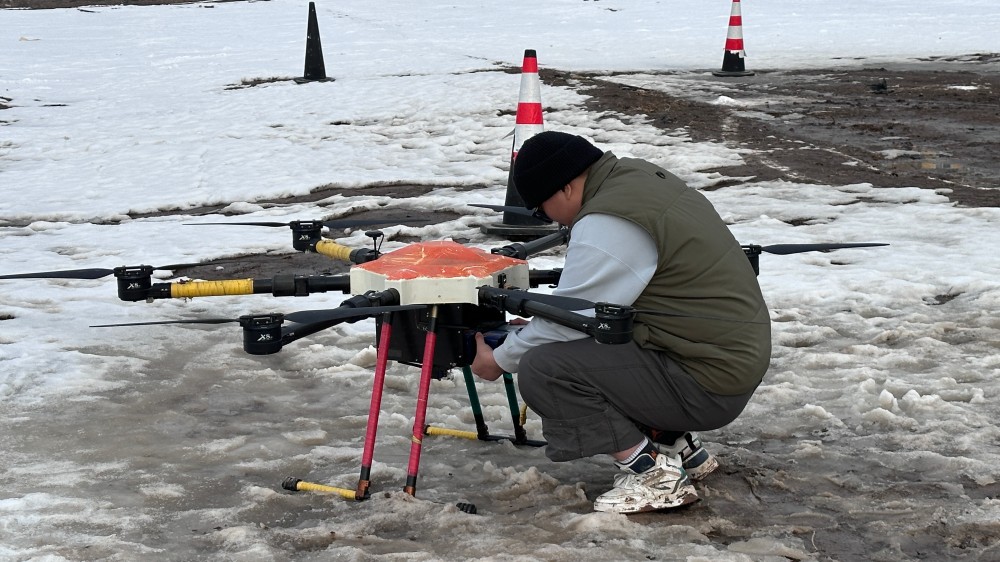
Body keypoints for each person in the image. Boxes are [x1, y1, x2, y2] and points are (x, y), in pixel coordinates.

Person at [470, 131, 771, 514]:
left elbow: (572, 317)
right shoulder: (637, 178)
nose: (548, 220)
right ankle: (678, 447)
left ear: (565, 188)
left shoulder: (608, 219)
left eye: (541, 210)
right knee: (594, 342)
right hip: (729, 356)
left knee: (544, 369)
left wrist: (498, 360)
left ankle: (652, 475)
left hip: (709, 382)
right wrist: (533, 327)